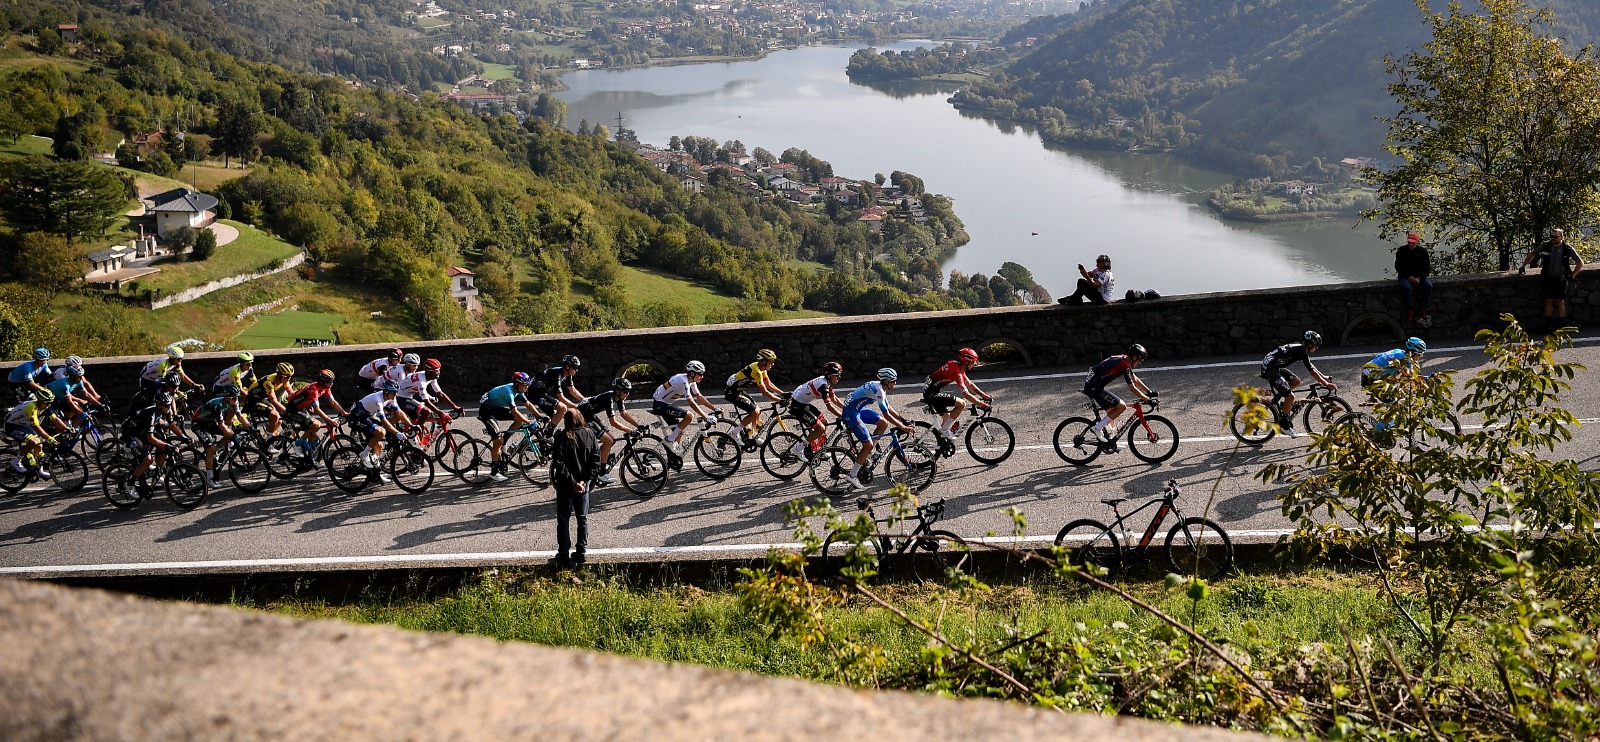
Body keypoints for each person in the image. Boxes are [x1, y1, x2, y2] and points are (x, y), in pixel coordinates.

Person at [840, 368, 915, 489]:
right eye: (893, 381)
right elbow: (886, 413)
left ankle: (868, 453)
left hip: (856, 408)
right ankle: (852, 475)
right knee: (868, 444)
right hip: (851, 412)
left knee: (883, 423)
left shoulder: (880, 387)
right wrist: (903, 427)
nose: (895, 383)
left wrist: (902, 420)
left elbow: (888, 407)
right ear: (886, 382)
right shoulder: (879, 390)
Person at [1259, 331, 1338, 439]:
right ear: (1310, 344)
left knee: (1296, 381)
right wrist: (1326, 384)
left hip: (1274, 366)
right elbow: (1311, 371)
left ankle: (1283, 399)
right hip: (1270, 369)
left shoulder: (1301, 348)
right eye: (1316, 346)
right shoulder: (1301, 351)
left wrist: (1324, 377)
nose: (1316, 349)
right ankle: (1284, 426)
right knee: (1290, 396)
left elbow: (1311, 366)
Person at [550, 409, 601, 569]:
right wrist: (585, 481)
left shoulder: (561, 437)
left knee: (564, 520)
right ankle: (581, 551)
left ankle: (564, 554)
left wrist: (573, 482)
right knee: (582, 518)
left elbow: (559, 464)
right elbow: (596, 460)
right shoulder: (590, 434)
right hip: (584, 484)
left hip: (566, 485)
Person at [1082, 344, 1157, 450]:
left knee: (1112, 411)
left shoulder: (1124, 360)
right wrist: (1148, 400)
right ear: (1135, 357)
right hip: (1094, 387)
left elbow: (1134, 378)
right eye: (1140, 360)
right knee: (1121, 406)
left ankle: (1110, 442)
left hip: (1094, 385)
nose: (1140, 363)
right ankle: (1097, 428)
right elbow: (1132, 388)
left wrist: (1148, 391)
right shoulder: (1124, 365)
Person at [478, 371, 548, 482]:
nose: (526, 388)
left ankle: (505, 442)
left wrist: (539, 416)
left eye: (527, 386)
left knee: (519, 421)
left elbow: (528, 404)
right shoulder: (509, 391)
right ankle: (494, 472)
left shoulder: (518, 390)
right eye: (524, 386)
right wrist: (528, 421)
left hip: (496, 408)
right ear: (517, 384)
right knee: (498, 441)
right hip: (486, 410)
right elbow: (515, 411)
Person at [574, 378, 646, 486]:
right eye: (626, 391)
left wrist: (639, 426)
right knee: (607, 441)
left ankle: (596, 461)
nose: (627, 394)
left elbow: (624, 414)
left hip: (590, 415)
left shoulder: (618, 397)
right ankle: (602, 473)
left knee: (612, 440)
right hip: (581, 417)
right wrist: (631, 431)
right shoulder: (609, 398)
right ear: (618, 391)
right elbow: (613, 422)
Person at [922, 347, 992, 444]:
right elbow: (966, 394)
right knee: (961, 403)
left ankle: (941, 444)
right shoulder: (957, 372)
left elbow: (969, 384)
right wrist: (982, 404)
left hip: (932, 391)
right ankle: (945, 431)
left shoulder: (958, 367)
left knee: (948, 420)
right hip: (932, 394)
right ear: (967, 362)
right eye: (973, 362)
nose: (974, 364)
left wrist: (984, 396)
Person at [1522, 228, 1585, 333]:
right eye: (1551, 236)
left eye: (1556, 237)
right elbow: (1533, 254)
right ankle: (1547, 326)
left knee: (1560, 301)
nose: (1553, 239)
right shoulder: (1545, 246)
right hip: (1547, 278)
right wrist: (1523, 266)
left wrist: (1572, 275)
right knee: (1548, 301)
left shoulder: (1567, 248)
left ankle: (1560, 327)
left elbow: (1580, 263)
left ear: (1562, 237)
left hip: (1562, 279)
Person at [651, 360, 719, 456]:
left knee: (678, 431)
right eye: (700, 374)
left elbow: (699, 396)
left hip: (665, 404)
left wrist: (714, 408)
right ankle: (669, 441)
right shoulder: (683, 381)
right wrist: (706, 416)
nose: (702, 376)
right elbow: (691, 402)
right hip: (659, 404)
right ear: (692, 373)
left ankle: (674, 456)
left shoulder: (691, 380)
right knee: (689, 416)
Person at [349, 380, 411, 481]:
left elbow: (399, 413)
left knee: (379, 446)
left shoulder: (391, 397)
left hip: (367, 415)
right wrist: (397, 433)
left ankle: (376, 474)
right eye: (393, 392)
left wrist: (411, 425)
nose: (395, 394)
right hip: (357, 417)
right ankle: (364, 455)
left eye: (396, 392)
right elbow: (384, 421)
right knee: (381, 432)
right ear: (386, 392)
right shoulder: (378, 399)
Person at [725, 349, 785, 446]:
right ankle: (734, 433)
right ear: (764, 362)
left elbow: (769, 384)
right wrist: (780, 400)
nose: (773, 364)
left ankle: (753, 436)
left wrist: (783, 394)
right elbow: (765, 392)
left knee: (758, 410)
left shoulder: (762, 368)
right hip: (732, 393)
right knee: (754, 412)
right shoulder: (756, 371)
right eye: (771, 361)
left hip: (738, 390)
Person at [786, 362, 846, 459]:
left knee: (825, 422)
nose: (839, 378)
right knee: (820, 428)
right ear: (829, 375)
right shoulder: (823, 385)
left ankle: (819, 450)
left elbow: (834, 399)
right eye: (837, 375)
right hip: (797, 405)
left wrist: (847, 410)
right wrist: (842, 416)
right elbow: (829, 406)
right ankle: (798, 448)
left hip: (802, 402)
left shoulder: (826, 382)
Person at [283, 369, 350, 454]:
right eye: (329, 382)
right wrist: (330, 420)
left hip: (302, 407)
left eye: (332, 381)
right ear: (322, 382)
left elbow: (333, 402)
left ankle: (311, 456)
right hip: (292, 409)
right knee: (316, 425)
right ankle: (297, 444)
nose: (331, 384)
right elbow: (317, 409)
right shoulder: (313, 389)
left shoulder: (325, 388)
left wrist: (344, 413)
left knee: (313, 432)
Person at [194, 384, 245, 487]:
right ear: (227, 397)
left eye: (237, 397)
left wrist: (251, 428)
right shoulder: (217, 405)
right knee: (211, 449)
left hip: (210, 422)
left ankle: (216, 451)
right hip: (199, 424)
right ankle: (210, 478)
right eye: (234, 398)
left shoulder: (232, 402)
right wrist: (232, 435)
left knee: (229, 435)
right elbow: (221, 425)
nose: (236, 400)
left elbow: (240, 417)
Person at [4, 389, 60, 478]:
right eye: (47, 402)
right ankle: (16, 461)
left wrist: (67, 428)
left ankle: (39, 470)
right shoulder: (32, 407)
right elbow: (36, 426)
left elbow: (55, 419)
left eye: (50, 402)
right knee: (33, 442)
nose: (49, 405)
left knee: (39, 445)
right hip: (11, 425)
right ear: (40, 400)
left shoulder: (44, 405)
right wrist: (48, 437)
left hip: (23, 424)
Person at [397, 358, 462, 423]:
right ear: (429, 372)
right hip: (401, 398)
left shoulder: (431, 377)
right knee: (426, 411)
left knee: (434, 400)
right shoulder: (421, 381)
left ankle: (419, 421)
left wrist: (455, 406)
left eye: (439, 370)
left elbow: (440, 394)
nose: (438, 373)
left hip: (409, 395)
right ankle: (417, 430)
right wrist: (441, 414)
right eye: (436, 371)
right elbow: (427, 402)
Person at [248, 362, 298, 436]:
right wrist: (287, 412)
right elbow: (274, 401)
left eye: (290, 377)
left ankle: (268, 435)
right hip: (251, 400)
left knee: (279, 421)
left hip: (261, 398)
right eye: (287, 377)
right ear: (280, 375)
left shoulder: (284, 380)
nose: (289, 379)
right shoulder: (269, 381)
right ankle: (268, 442)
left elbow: (292, 394)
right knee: (275, 416)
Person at [1395, 233, 1433, 326]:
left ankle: (1423, 308)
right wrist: (1409, 277)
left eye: (1413, 243)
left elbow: (1427, 268)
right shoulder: (1401, 251)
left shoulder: (1422, 251)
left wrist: (1420, 278)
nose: (1411, 244)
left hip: (1420, 277)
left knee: (1428, 286)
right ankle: (1410, 309)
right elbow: (1398, 267)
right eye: (1409, 242)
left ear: (1417, 242)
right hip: (1405, 276)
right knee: (1406, 288)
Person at [1362, 337, 1427, 389]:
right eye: (1419, 354)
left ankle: (1372, 397)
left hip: (1366, 370)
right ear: (1412, 352)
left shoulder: (1398, 351)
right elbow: (1413, 378)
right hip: (1369, 378)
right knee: (1394, 401)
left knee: (1393, 377)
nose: (1421, 357)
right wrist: (1428, 389)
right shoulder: (1406, 361)